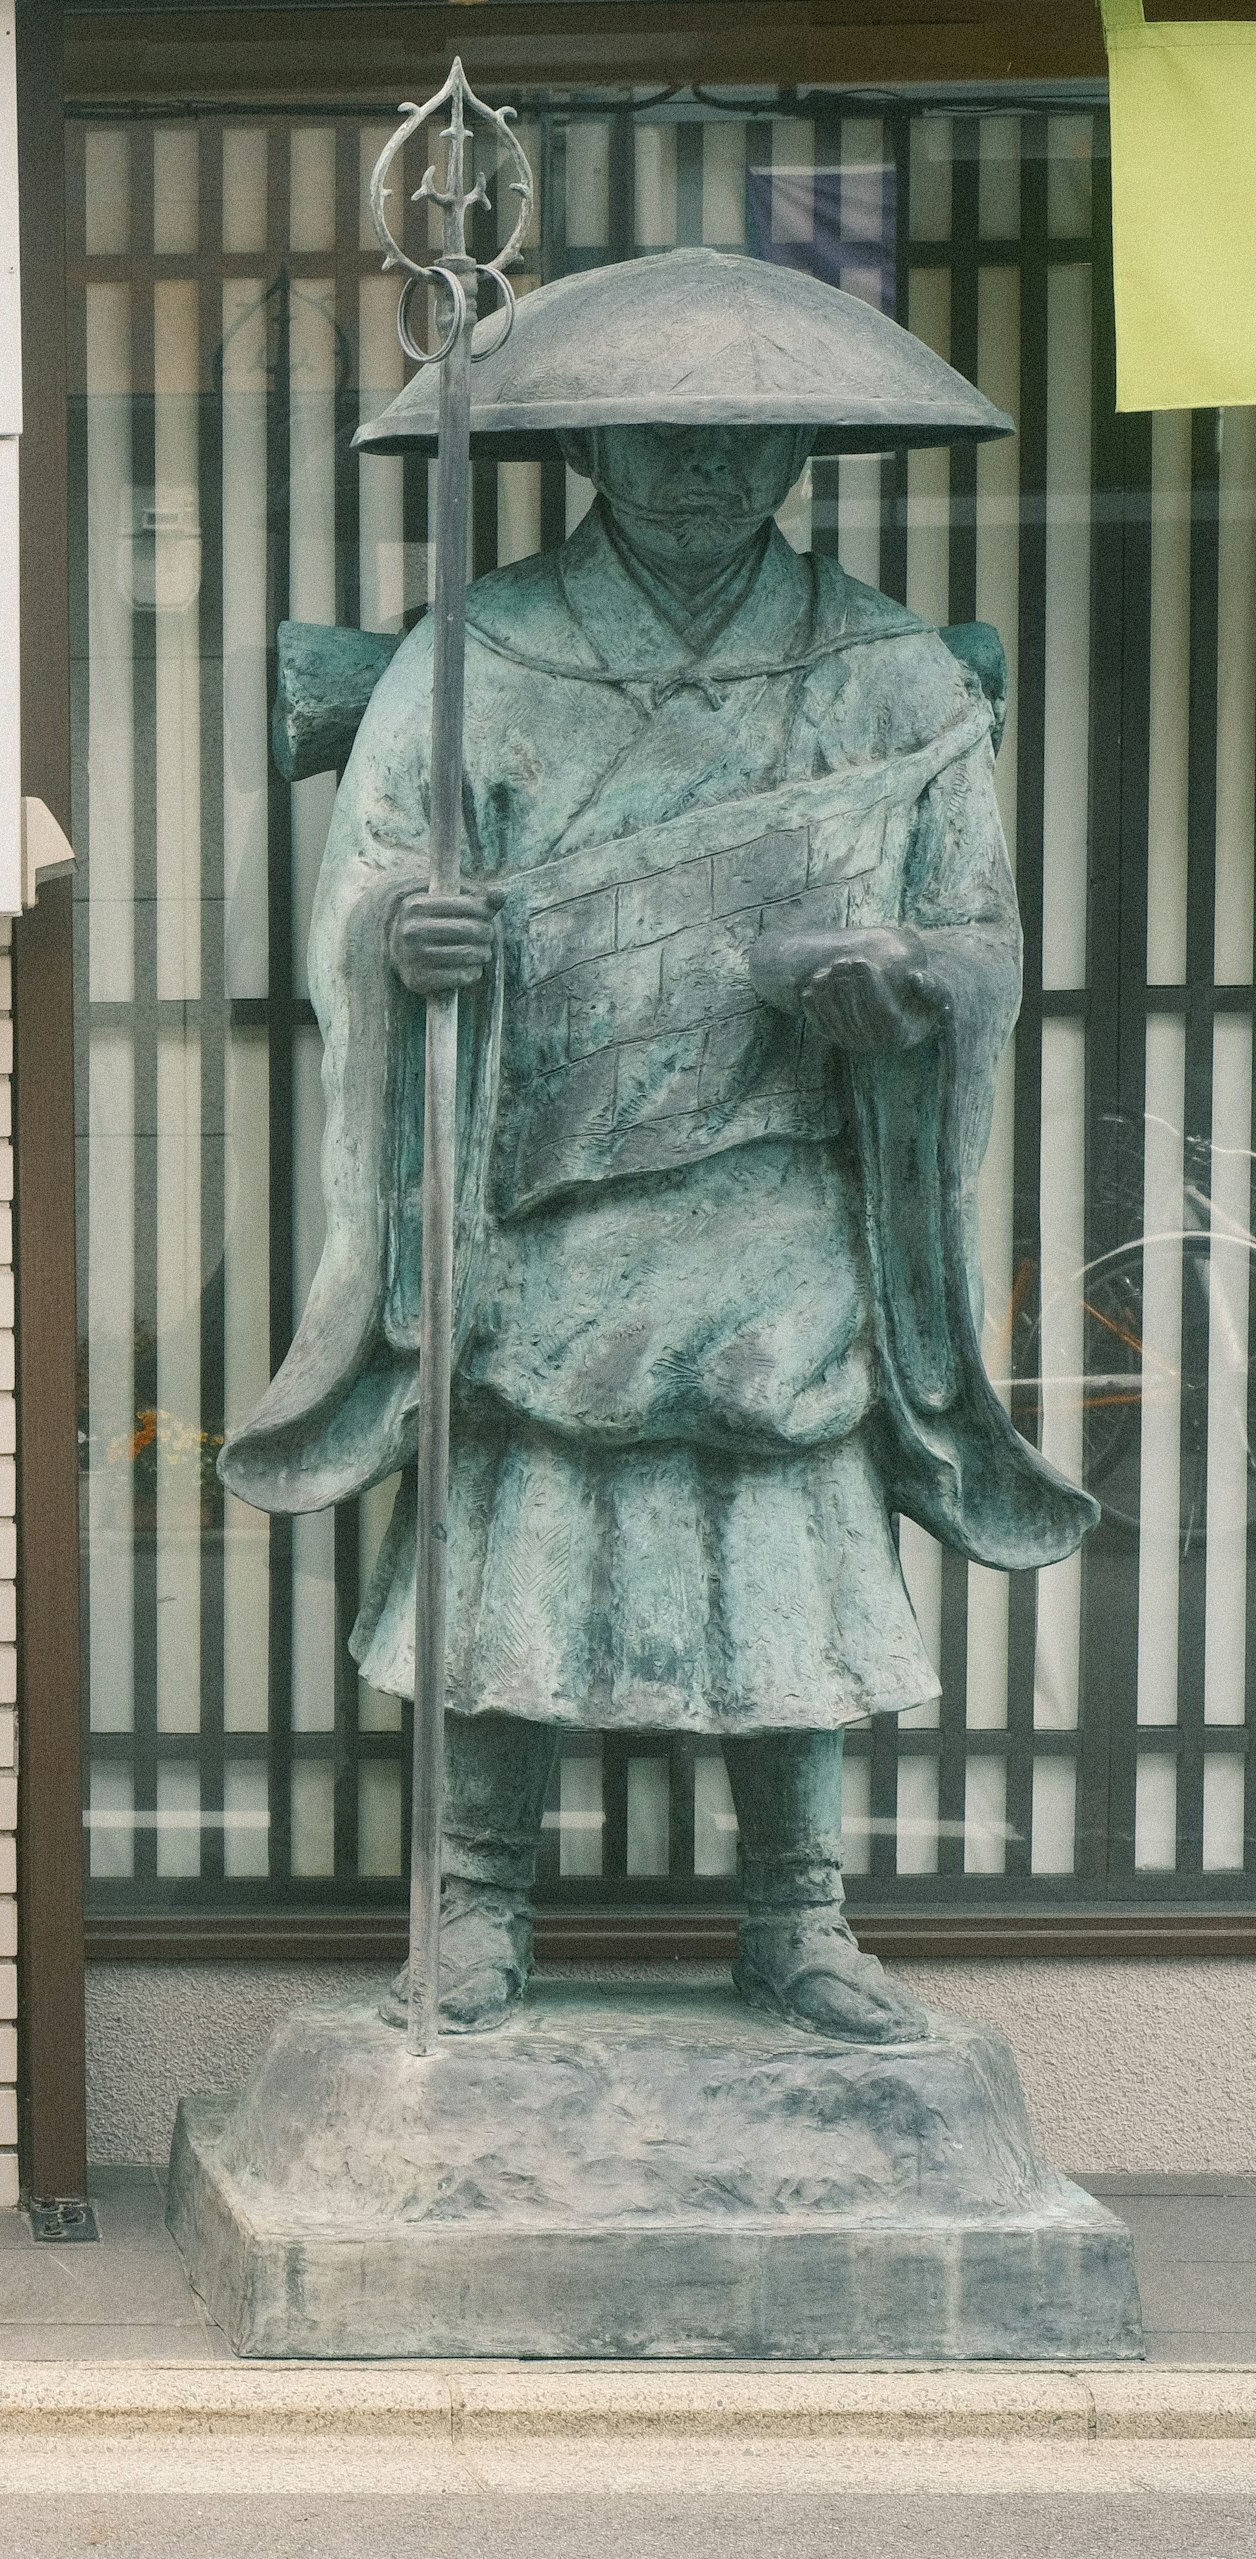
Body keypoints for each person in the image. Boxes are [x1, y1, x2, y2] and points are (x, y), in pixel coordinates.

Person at [223, 248, 1096, 2045]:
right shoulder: (475, 662)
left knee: (791, 1553)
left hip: (786, 1198)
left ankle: (801, 1913)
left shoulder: (894, 681)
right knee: (519, 1541)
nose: (700, 468)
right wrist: (407, 941)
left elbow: (987, 940)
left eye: (739, 437)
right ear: (587, 443)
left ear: (796, 455)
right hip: (545, 1190)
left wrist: (914, 984)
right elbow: (370, 886)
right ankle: (475, 1901)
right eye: (662, 433)